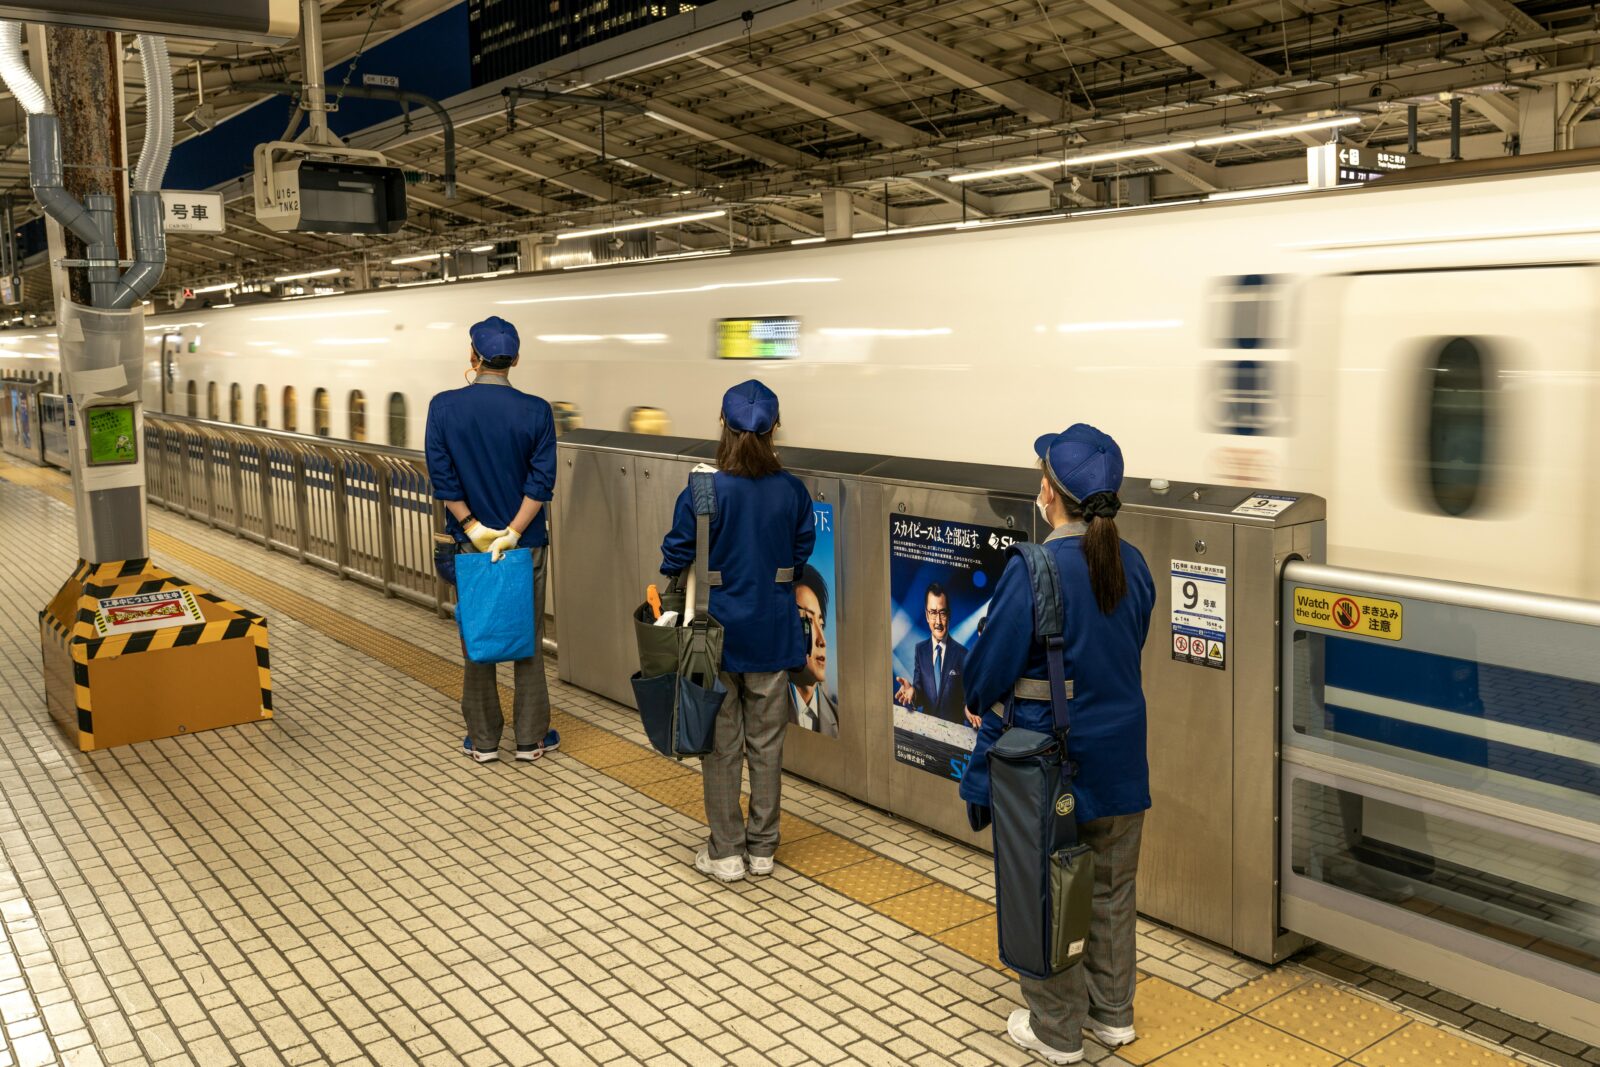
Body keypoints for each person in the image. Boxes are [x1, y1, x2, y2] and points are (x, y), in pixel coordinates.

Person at [958, 424, 1155, 1065]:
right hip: (1123, 759)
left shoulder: (1035, 569)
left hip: (1050, 768)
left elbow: (987, 671)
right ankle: (1113, 1014)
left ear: (1049, 491)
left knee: (1045, 888)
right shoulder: (1135, 565)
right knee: (1109, 889)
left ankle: (1056, 1029)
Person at [660, 379, 814, 882]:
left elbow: (676, 551)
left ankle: (725, 851)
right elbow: (800, 552)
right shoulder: (792, 489)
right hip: (772, 631)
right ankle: (764, 848)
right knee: (767, 745)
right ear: (774, 431)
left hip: (714, 635)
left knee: (721, 744)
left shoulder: (702, 489)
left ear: (722, 427)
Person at [424, 315, 560, 765]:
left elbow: (443, 478)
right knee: (528, 636)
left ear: (473, 357)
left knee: (478, 635)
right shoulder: (537, 410)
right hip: (526, 544)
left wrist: (473, 528)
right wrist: (514, 531)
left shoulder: (443, 407)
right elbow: (541, 483)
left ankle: (483, 741)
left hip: (472, 544)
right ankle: (530, 740)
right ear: (514, 359)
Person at [894, 584, 968, 723]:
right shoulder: (920, 650)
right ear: (927, 615)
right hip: (927, 734)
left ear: (949, 614)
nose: (938, 621)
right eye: (933, 613)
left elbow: (967, 702)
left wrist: (969, 711)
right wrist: (913, 692)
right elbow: (920, 692)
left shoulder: (963, 654)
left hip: (954, 737)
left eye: (942, 613)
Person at [788, 564, 838, 738]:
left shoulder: (838, 720)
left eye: (821, 625)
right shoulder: (765, 706)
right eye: (808, 621)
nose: (821, 641)